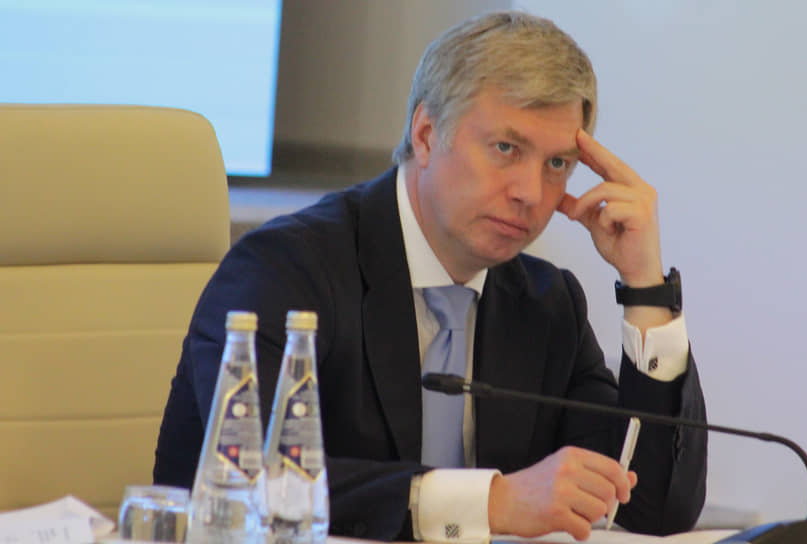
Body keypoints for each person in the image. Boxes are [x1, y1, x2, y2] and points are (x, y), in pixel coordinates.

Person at [154, 11, 707, 542]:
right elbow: (250, 479)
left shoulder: (546, 304)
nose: (530, 192)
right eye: (506, 148)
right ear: (425, 135)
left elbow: (651, 507)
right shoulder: (286, 268)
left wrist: (646, 287)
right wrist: (491, 502)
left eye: (556, 164)